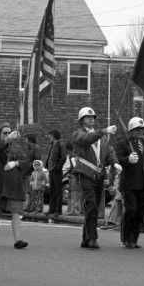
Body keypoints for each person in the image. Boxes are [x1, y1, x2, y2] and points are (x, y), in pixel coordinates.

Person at [73, 107, 119, 250]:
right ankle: (92, 238)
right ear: (81, 120)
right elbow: (86, 139)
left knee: (92, 207)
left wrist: (115, 162)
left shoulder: (102, 138)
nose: (91, 119)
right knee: (92, 204)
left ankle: (85, 239)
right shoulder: (78, 134)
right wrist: (104, 131)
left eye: (93, 117)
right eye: (87, 117)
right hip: (85, 174)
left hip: (99, 175)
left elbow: (109, 151)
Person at [116, 117, 144, 249]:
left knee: (140, 212)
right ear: (131, 130)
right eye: (138, 129)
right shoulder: (123, 142)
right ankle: (126, 238)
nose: (141, 131)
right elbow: (117, 159)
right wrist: (127, 159)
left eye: (142, 129)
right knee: (131, 209)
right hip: (129, 183)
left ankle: (134, 238)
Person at [0, 123, 30, 248]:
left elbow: (26, 163)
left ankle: (17, 240)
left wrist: (16, 163)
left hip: (14, 184)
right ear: (0, 135)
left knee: (15, 211)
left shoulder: (18, 147)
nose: (8, 134)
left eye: (9, 132)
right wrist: (7, 140)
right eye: (5, 132)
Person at [45, 129, 66, 218]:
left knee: (58, 191)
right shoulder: (53, 144)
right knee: (52, 191)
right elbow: (50, 156)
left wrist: (58, 167)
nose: (49, 137)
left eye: (50, 135)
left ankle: (58, 210)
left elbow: (63, 157)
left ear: (53, 135)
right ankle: (51, 209)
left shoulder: (60, 144)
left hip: (56, 170)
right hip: (51, 170)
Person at [23, 134, 42, 212]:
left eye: (26, 139)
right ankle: (29, 206)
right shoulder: (30, 148)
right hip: (28, 172)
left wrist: (28, 166)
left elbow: (36, 161)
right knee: (29, 191)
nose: (25, 141)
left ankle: (33, 207)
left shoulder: (36, 148)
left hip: (32, 173)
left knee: (33, 191)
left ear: (30, 140)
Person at [62, 142, 82, 216]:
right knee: (73, 193)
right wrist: (66, 173)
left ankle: (75, 211)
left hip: (74, 177)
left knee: (74, 193)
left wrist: (69, 174)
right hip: (74, 176)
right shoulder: (73, 155)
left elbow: (74, 167)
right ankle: (73, 210)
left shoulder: (72, 156)